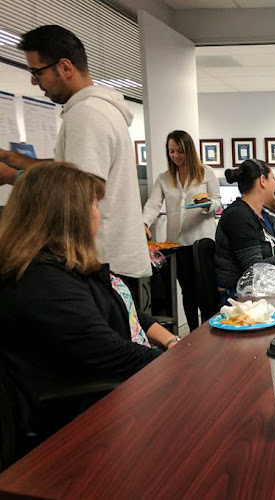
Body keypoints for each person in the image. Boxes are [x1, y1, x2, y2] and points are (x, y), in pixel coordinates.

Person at [0, 163, 179, 436]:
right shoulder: (44, 281)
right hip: (91, 418)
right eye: (95, 206)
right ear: (71, 216)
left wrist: (172, 342)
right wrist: (172, 364)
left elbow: (128, 311)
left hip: (118, 393)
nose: (98, 214)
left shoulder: (68, 267)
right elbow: (110, 352)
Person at [0, 25, 151, 292]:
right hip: (107, 261)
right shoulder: (97, 109)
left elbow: (80, 192)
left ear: (65, 67)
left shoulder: (87, 114)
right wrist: (12, 158)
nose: (34, 82)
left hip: (101, 261)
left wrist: (14, 176)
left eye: (37, 72)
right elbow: (68, 170)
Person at [143, 130, 222, 331]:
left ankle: (208, 329)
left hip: (202, 243)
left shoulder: (206, 172)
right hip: (177, 244)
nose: (176, 155)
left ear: (189, 150)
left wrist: (207, 206)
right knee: (187, 292)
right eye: (171, 151)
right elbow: (153, 204)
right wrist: (144, 223)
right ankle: (194, 331)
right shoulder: (164, 178)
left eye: (180, 151)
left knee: (205, 291)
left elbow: (217, 201)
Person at [215, 159, 275, 299]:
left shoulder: (265, 214)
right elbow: (254, 270)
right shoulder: (238, 215)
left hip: (263, 289)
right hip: (239, 298)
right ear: (262, 181)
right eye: (272, 178)